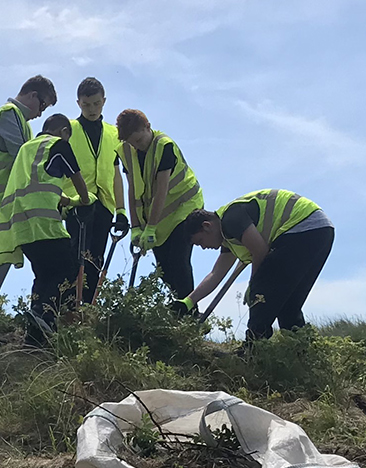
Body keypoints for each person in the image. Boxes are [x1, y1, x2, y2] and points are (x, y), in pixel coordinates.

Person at [0, 75, 58, 348]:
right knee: (0, 259)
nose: (40, 114)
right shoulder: (10, 115)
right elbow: (24, 160)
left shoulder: (18, 121)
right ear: (32, 95)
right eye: (43, 105)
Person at [0, 114, 94, 347]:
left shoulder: (26, 150)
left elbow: (37, 184)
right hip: (44, 224)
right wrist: (85, 200)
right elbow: (76, 176)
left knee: (44, 275)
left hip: (21, 227)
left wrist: (68, 201)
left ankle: (34, 338)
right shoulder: (58, 145)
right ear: (64, 131)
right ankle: (44, 316)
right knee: (67, 270)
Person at [187, 189, 336, 341]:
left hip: (301, 227)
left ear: (207, 226)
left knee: (261, 292)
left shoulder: (231, 219)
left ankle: (253, 348)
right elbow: (216, 274)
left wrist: (254, 286)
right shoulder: (228, 237)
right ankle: (300, 353)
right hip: (320, 230)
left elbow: (260, 251)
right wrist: (188, 301)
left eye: (200, 242)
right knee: (288, 305)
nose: (203, 247)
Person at [114, 110, 205, 306]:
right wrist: (136, 227)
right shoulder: (127, 151)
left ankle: (189, 313)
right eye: (131, 142)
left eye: (138, 140)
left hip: (184, 207)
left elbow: (161, 190)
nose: (136, 146)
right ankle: (180, 311)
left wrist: (151, 227)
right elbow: (132, 189)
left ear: (148, 127)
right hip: (159, 217)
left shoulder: (164, 146)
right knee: (164, 268)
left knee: (179, 261)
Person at [65, 78, 127, 305]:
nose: (92, 109)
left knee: (96, 259)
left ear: (104, 102)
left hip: (104, 204)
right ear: (78, 103)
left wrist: (121, 210)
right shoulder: (68, 130)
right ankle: (69, 305)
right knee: (75, 256)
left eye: (96, 104)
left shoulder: (114, 133)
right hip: (76, 202)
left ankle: (89, 308)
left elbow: (116, 173)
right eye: (86, 104)